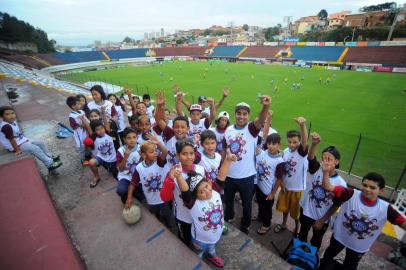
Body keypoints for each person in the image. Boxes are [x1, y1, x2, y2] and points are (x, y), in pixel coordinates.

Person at [319, 159, 406, 270]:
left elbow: (402, 222)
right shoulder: (350, 193)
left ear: (381, 191)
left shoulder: (386, 208)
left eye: (372, 187)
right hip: (339, 237)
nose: (367, 189)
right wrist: (325, 172)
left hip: (359, 247)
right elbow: (328, 187)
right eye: (365, 185)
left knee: (350, 266)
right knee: (327, 257)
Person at [173, 153, 236, 268]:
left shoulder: (215, 192)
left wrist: (227, 160)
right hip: (200, 239)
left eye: (207, 187)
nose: (207, 192)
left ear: (209, 183)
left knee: (212, 247)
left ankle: (211, 255)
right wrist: (179, 176)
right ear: (195, 195)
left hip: (215, 235)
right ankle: (198, 261)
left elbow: (221, 176)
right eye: (201, 192)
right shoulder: (192, 203)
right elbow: (185, 191)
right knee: (199, 252)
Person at [222, 96, 270, 234]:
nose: (241, 116)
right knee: (228, 201)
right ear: (235, 114)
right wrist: (221, 168)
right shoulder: (229, 130)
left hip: (247, 176)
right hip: (229, 175)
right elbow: (225, 149)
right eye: (239, 113)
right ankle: (229, 216)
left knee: (247, 204)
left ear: (248, 116)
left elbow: (260, 120)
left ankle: (245, 224)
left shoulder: (251, 129)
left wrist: (265, 106)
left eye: (244, 114)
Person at [298, 132, 347, 250]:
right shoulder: (316, 170)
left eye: (329, 159)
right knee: (302, 234)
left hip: (321, 217)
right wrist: (314, 144)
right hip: (306, 211)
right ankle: (299, 253)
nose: (325, 161)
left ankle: (312, 258)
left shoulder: (341, 183)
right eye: (323, 158)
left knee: (316, 240)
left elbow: (336, 204)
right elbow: (310, 158)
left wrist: (322, 220)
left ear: (337, 162)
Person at [160, 139, 206, 246]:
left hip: (198, 214)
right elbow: (165, 197)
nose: (189, 157)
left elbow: (208, 188)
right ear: (177, 155)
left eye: (191, 153)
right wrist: (170, 180)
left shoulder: (200, 169)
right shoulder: (173, 173)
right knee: (185, 239)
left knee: (198, 235)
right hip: (182, 216)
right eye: (184, 154)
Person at [125, 140, 172, 227]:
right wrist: (129, 197)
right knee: (156, 216)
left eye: (156, 150)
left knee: (168, 216)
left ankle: (170, 227)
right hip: (150, 200)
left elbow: (165, 152)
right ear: (143, 155)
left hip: (163, 199)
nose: (155, 153)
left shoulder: (159, 162)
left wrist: (158, 143)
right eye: (151, 151)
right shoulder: (139, 168)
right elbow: (133, 183)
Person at [274, 117, 308, 235]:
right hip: (285, 187)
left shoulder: (301, 152)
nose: (292, 144)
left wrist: (302, 126)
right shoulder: (286, 152)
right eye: (289, 141)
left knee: (296, 214)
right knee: (285, 209)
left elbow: (305, 141)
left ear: (299, 142)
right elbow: (283, 169)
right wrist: (282, 183)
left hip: (297, 189)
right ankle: (284, 224)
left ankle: (297, 229)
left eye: (295, 142)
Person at [0, 106, 62, 170]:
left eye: (12, 113)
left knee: (40, 143)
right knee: (34, 148)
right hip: (14, 145)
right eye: (7, 114)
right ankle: (49, 163)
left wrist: (26, 140)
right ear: (2, 117)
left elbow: (17, 134)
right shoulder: (6, 126)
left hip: (20, 140)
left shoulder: (13, 122)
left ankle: (50, 156)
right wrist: (17, 150)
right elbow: (11, 139)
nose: (11, 115)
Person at [255, 133, 284, 235]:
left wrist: (272, 193)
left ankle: (266, 225)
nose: (271, 146)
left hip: (268, 191)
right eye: (269, 143)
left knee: (266, 209)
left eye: (274, 144)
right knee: (260, 204)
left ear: (278, 145)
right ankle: (260, 217)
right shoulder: (264, 153)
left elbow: (279, 179)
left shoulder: (279, 161)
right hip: (258, 186)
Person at [87, 117, 118, 187]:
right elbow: (88, 127)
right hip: (101, 158)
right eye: (97, 130)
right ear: (94, 131)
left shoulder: (108, 133)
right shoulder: (93, 137)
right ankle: (96, 176)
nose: (101, 131)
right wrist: (82, 118)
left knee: (115, 174)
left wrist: (103, 111)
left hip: (112, 159)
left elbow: (106, 123)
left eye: (102, 128)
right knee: (91, 162)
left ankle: (110, 168)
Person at [116, 127, 141, 204]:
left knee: (141, 195)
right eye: (129, 138)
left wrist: (142, 158)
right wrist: (126, 156)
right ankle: (125, 199)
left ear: (137, 138)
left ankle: (135, 193)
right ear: (124, 139)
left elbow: (142, 165)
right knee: (121, 190)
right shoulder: (121, 151)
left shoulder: (140, 148)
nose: (132, 140)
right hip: (125, 177)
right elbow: (120, 169)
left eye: (134, 137)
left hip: (138, 177)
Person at [66, 96, 91, 163]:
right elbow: (73, 126)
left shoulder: (82, 111)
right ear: (73, 106)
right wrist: (82, 125)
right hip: (80, 135)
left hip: (86, 132)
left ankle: (88, 156)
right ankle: (83, 160)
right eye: (78, 104)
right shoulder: (72, 116)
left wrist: (88, 124)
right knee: (82, 147)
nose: (80, 105)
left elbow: (86, 119)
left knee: (88, 144)